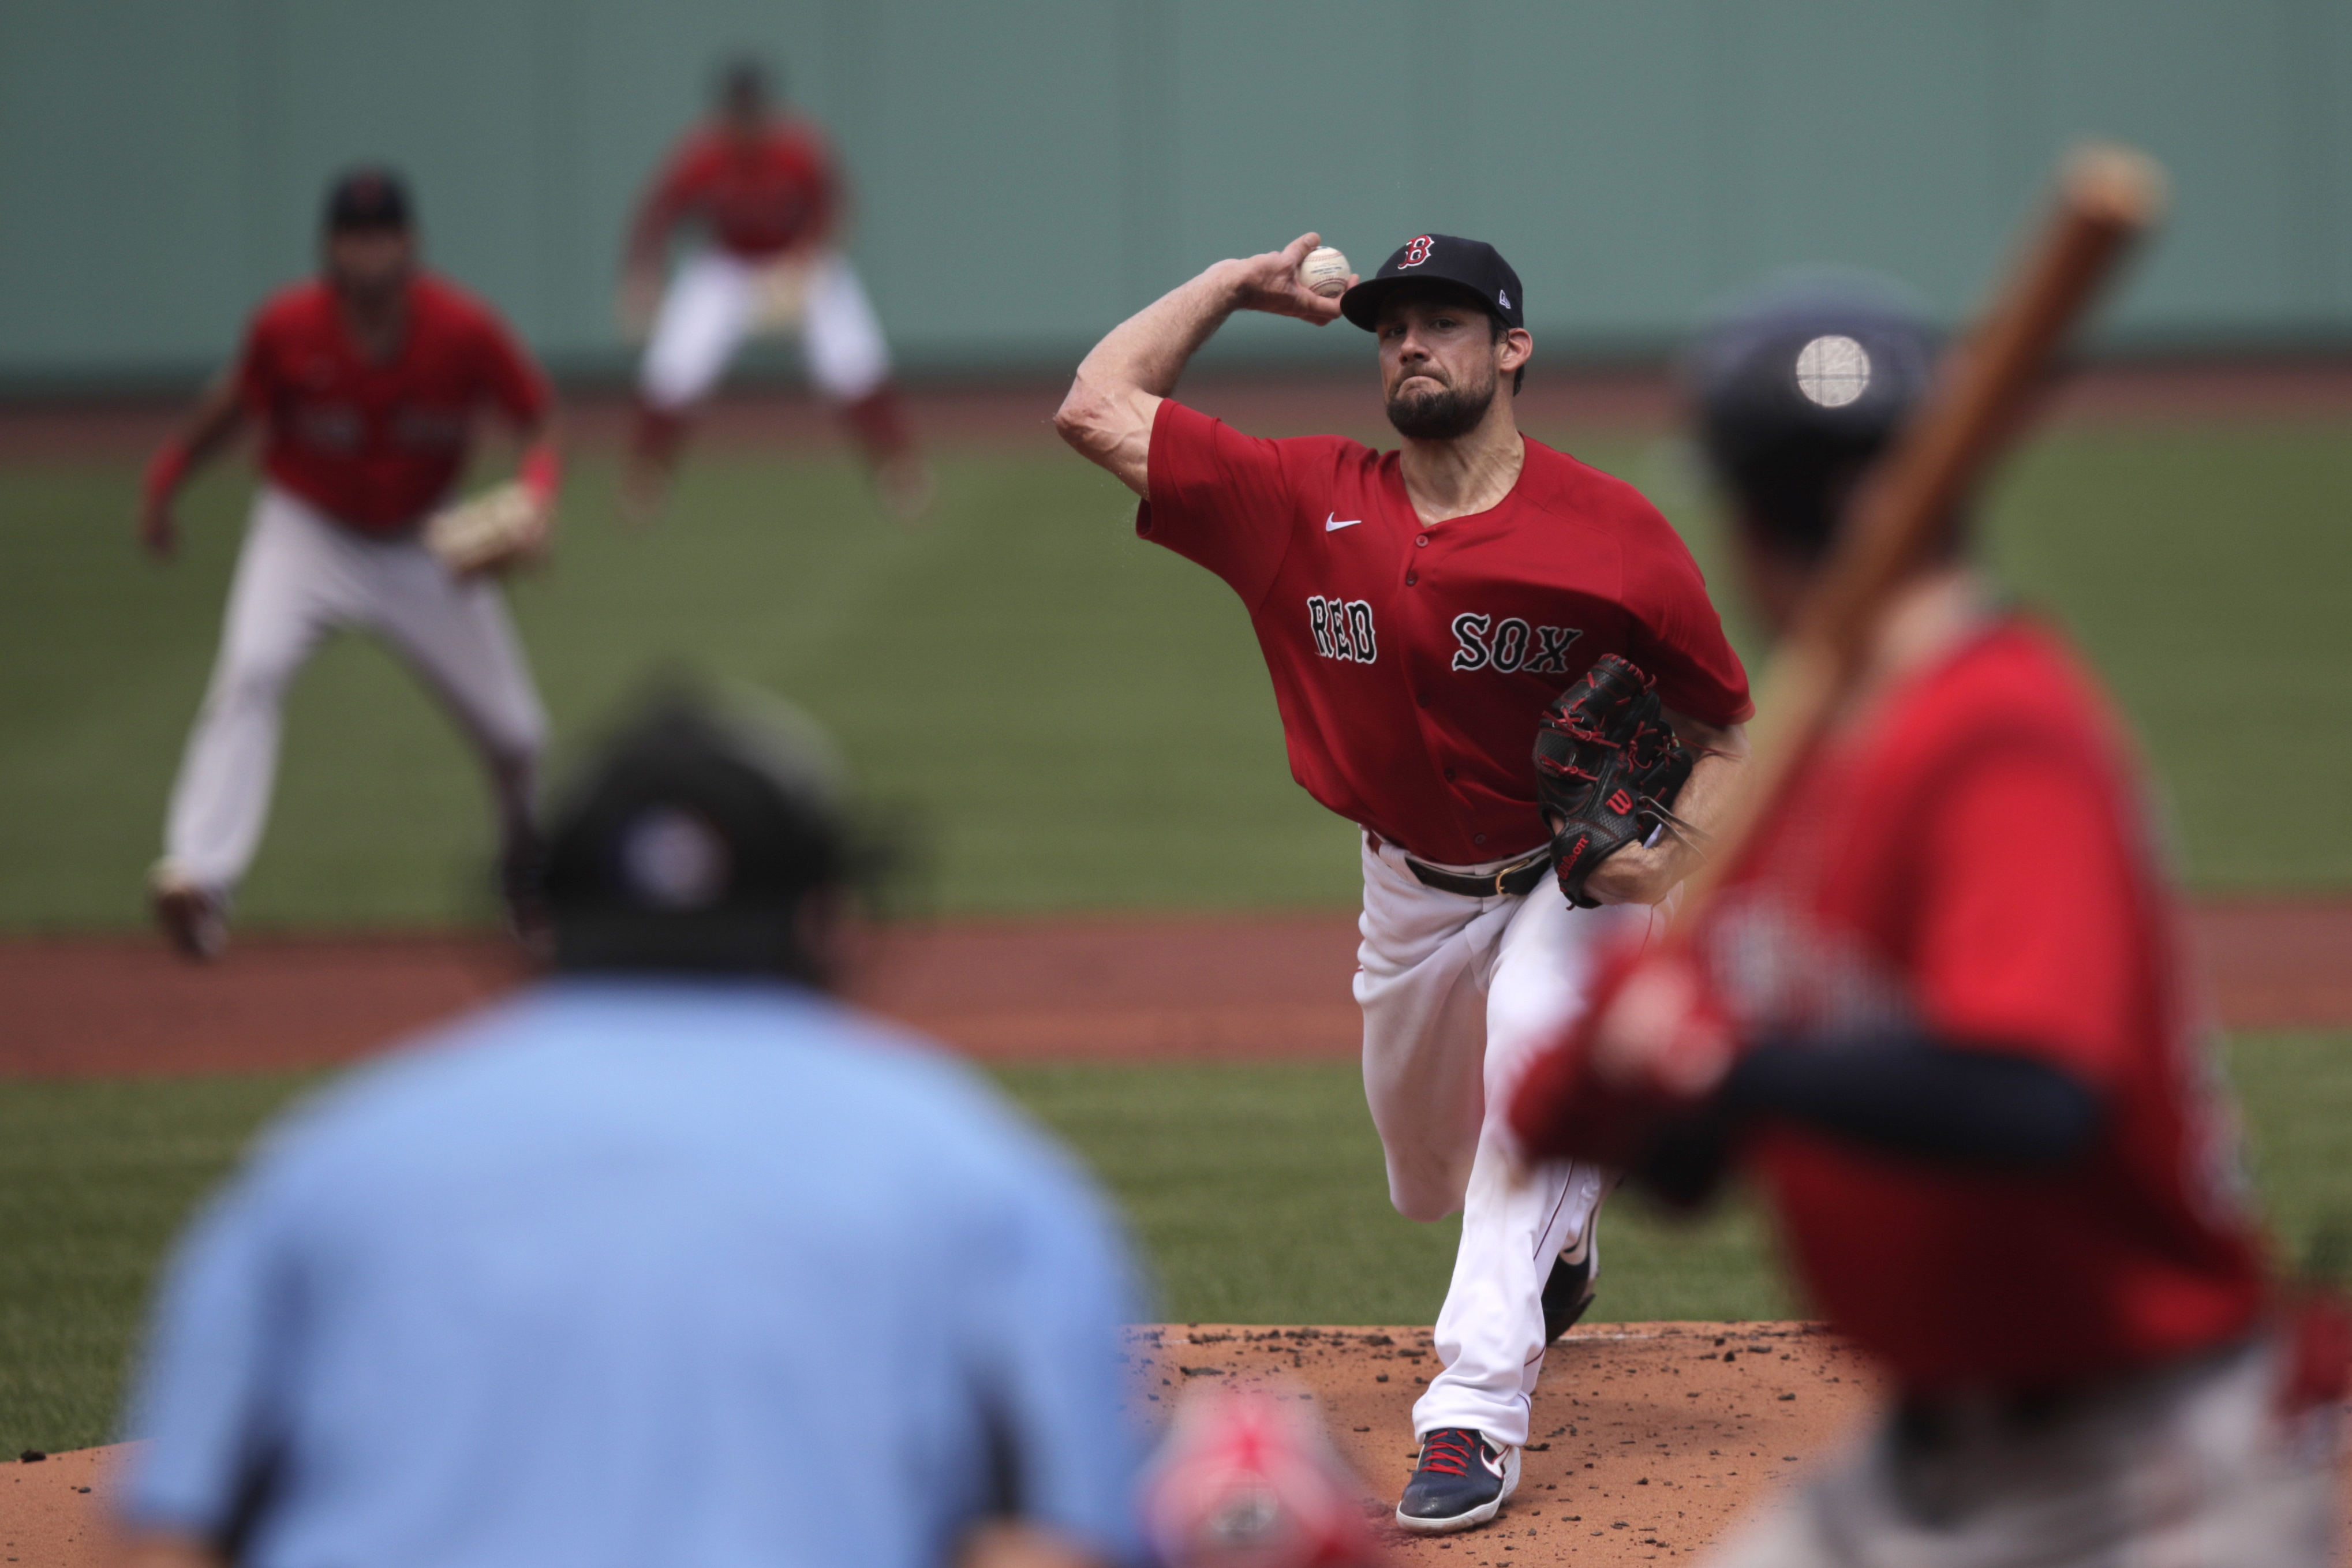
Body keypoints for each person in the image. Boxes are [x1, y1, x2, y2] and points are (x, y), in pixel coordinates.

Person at [1509, 275, 2343, 1566]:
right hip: (1934, 1453)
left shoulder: (2000, 730)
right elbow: (1695, 1156)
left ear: (1753, 528)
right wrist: (1615, 1087)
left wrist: (1726, 1067)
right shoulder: (1806, 765)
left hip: (2152, 1469)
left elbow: (2031, 1093)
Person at [114, 686, 1150, 1568]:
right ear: (832, 918)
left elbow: (169, 1537)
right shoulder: (983, 1173)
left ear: (541, 913)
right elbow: (1055, 1542)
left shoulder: (322, 1165)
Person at [1053, 231, 1753, 1533]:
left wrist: (1671, 852)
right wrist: (1228, 285)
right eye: (1391, 326)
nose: (1411, 343)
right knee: (1425, 1173)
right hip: (1407, 894)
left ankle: (1473, 1411)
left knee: (1532, 1079)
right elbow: (1094, 404)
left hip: (1570, 881)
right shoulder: (1298, 498)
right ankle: (1565, 1235)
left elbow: (1728, 741)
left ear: (1513, 348)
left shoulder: (1616, 537)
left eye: (1442, 320)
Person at [139, 167, 559, 960]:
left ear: (412, 244)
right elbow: (232, 403)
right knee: (253, 670)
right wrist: (167, 479)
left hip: (422, 541)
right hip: (308, 531)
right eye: (354, 236)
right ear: (329, 248)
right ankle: (199, 879)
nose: (370, 251)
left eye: (383, 235)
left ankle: (528, 884)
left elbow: (538, 421)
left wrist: (537, 498)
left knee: (517, 737)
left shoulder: (463, 331)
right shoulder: (287, 327)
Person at [620, 57, 928, 520]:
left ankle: (899, 471)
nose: (746, 121)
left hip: (794, 259)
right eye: (738, 111)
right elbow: (659, 213)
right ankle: (645, 478)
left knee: (854, 358)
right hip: (726, 267)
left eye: (753, 110)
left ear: (766, 109)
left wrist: (804, 264)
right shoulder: (703, 155)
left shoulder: (796, 149)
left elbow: (836, 208)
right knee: (674, 364)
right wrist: (642, 276)